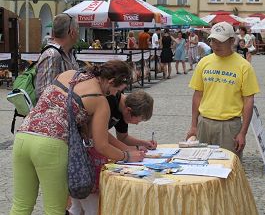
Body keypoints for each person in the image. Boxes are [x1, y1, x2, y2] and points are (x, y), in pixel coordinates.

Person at [10, 60, 145, 215]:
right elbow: (102, 145)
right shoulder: (100, 101)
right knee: (55, 209)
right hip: (52, 144)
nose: (115, 94)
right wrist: (127, 155)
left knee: (21, 205)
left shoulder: (69, 74)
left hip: (23, 136)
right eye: (117, 90)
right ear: (111, 81)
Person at [68, 90, 156, 215]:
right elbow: (99, 133)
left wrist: (141, 144)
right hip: (82, 153)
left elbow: (123, 137)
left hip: (88, 149)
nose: (137, 124)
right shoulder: (109, 102)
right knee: (90, 204)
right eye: (138, 120)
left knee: (78, 207)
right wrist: (126, 152)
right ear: (128, 111)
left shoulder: (123, 110)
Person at [185, 22, 260, 158]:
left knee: (228, 169)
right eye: (213, 40)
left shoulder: (244, 66)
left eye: (220, 41)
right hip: (204, 124)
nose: (215, 45)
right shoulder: (204, 62)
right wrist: (194, 125)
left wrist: (243, 133)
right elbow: (197, 95)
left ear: (232, 41)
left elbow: (248, 100)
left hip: (230, 126)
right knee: (201, 165)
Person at [36, 13, 80, 101]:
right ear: (72, 32)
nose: (78, 33)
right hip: (55, 113)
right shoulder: (52, 55)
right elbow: (44, 94)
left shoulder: (69, 53)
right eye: (78, 30)